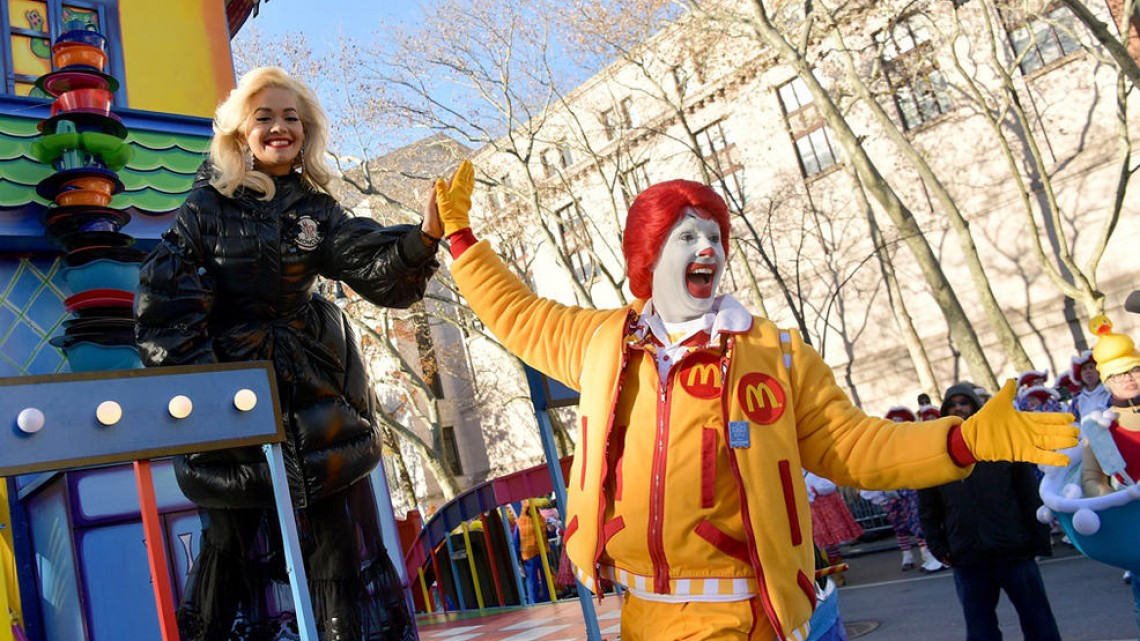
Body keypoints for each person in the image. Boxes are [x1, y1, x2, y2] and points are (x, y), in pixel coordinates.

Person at [433, 168, 1076, 641]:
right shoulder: (604, 342)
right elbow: (517, 313)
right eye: (688, 237)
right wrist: (459, 238)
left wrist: (959, 442)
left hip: (739, 616)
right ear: (649, 255)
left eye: (714, 236)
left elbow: (854, 444)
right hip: (638, 614)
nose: (708, 248)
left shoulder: (774, 353)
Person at [135, 67, 441, 641]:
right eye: (265, 116)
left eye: (292, 118)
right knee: (227, 545)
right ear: (238, 133)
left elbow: (365, 263)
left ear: (308, 132)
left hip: (313, 388)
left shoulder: (316, 209)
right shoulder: (206, 208)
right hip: (232, 389)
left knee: (333, 546)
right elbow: (167, 308)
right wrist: (210, 398)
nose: (280, 127)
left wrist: (420, 238)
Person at [918, 383, 1061, 641]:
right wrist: (938, 548)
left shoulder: (1003, 443)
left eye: (964, 403)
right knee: (980, 628)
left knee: (1038, 620)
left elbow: (1028, 494)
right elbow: (928, 508)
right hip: (968, 556)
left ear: (976, 406)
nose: (958, 408)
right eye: (952, 405)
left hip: (1014, 550)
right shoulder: (936, 454)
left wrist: (1038, 540)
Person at [860, 407, 945, 574]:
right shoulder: (886, 450)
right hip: (895, 494)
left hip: (915, 491)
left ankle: (931, 556)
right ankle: (910, 556)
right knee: (901, 526)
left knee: (921, 522)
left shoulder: (915, 445)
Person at [804, 471, 861, 586]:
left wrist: (814, 489)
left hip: (824, 507)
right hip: (812, 509)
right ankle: (831, 574)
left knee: (830, 544)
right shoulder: (798, 472)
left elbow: (829, 485)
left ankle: (837, 575)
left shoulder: (815, 471)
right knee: (822, 545)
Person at [1072, 349, 1111, 421]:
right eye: (1084, 369)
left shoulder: (1110, 390)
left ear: (1098, 371)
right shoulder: (1077, 400)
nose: (1088, 371)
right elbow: (1075, 422)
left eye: (1091, 367)